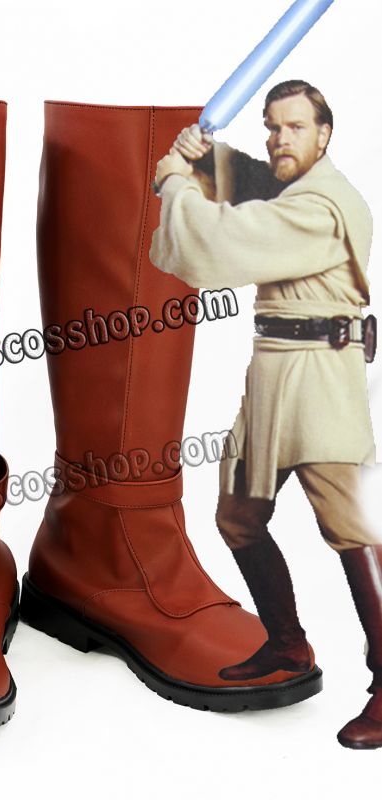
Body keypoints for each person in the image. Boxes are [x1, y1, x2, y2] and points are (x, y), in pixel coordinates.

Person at [149, 79, 382, 750]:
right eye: (272, 126)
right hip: (270, 374)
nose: (280, 138)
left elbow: (225, 240)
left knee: (352, 530)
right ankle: (287, 645)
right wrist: (202, 157)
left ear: (324, 134)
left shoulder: (322, 204)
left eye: (295, 127)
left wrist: (176, 182)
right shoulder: (292, 187)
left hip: (321, 379)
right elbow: (254, 183)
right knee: (237, 517)